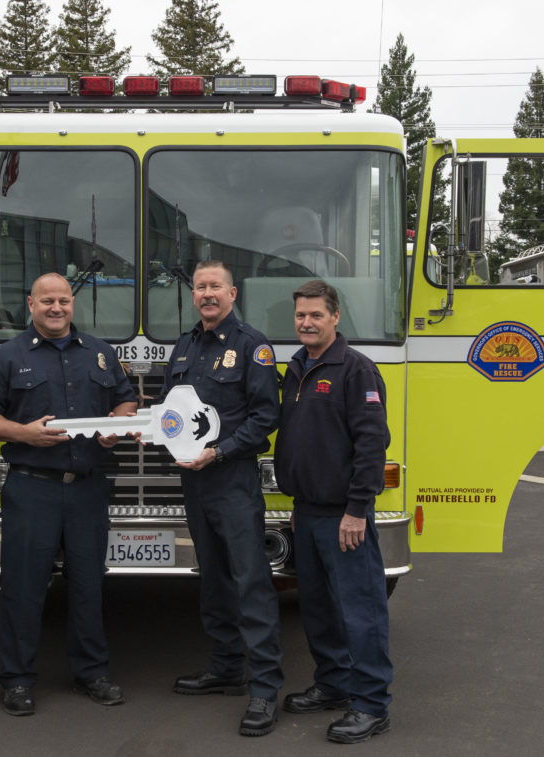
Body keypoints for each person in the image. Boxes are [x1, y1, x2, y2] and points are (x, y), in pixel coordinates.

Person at [0, 273, 137, 716]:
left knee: (88, 587)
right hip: (32, 488)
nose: (56, 308)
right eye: (47, 301)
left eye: (63, 300)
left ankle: (92, 674)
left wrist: (114, 429)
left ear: (72, 305)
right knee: (23, 589)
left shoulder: (101, 355)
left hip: (87, 491)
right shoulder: (4, 357)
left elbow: (125, 400)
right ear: (31, 304)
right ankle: (18, 680)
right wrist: (22, 433)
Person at [161, 260, 283, 737]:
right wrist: (152, 430)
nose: (207, 294)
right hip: (196, 483)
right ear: (194, 295)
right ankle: (227, 667)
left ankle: (266, 688)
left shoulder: (252, 347)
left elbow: (264, 419)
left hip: (232, 480)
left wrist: (219, 452)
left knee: (250, 581)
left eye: (215, 287)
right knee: (212, 578)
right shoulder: (187, 344)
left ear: (233, 294)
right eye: (200, 287)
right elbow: (174, 411)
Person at [273, 279, 393, 744]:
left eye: (316, 315)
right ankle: (334, 684)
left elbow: (371, 445)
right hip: (307, 513)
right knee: (318, 609)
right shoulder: (298, 366)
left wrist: (357, 509)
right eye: (300, 315)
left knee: (361, 611)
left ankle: (371, 704)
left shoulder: (355, 370)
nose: (306, 322)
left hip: (345, 516)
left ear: (335, 317)